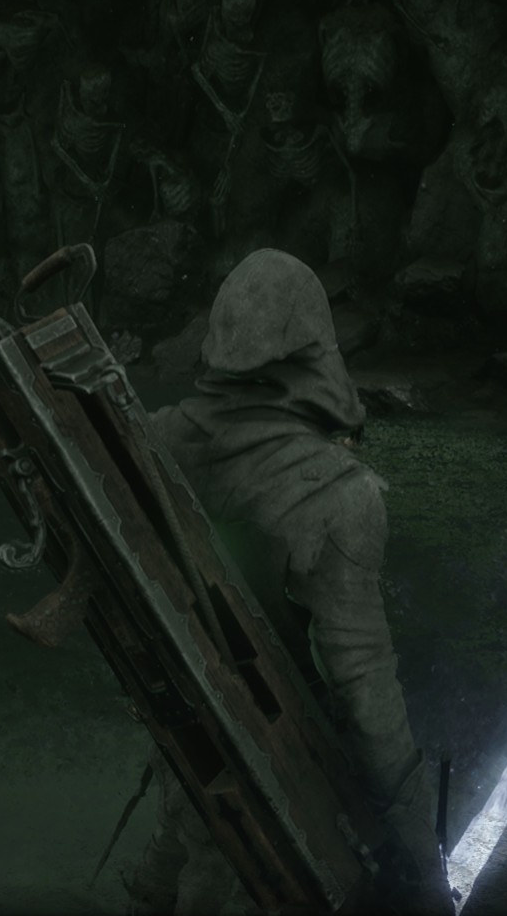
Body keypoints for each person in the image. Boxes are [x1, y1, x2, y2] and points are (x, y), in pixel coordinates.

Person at [127, 249, 446, 914]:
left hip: (191, 736)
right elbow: (363, 683)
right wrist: (417, 840)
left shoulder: (160, 442)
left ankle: (160, 873)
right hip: (277, 781)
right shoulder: (341, 498)